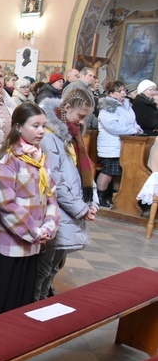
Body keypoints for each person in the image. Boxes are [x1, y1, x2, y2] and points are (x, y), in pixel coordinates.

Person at [0, 103, 59, 317]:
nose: (41, 131)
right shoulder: (8, 160)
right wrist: (34, 232)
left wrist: (48, 227)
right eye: (35, 125)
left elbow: (51, 197)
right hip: (10, 244)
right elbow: (6, 205)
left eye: (43, 126)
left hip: (33, 244)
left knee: (22, 303)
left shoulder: (41, 159)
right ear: (18, 127)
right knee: (0, 303)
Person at [36, 89, 98, 300]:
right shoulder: (49, 137)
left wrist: (92, 203)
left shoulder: (73, 135)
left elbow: (85, 171)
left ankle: (45, 300)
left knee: (54, 265)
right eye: (80, 116)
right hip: (55, 210)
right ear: (67, 108)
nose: (82, 122)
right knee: (43, 267)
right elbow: (56, 181)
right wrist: (81, 209)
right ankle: (35, 306)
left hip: (72, 208)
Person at [96, 79, 142, 207]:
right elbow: (112, 126)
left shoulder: (127, 105)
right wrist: (133, 130)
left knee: (118, 173)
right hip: (111, 144)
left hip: (125, 145)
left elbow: (133, 122)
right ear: (111, 93)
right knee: (108, 171)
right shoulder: (107, 107)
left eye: (124, 90)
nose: (123, 93)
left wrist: (138, 129)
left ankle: (112, 197)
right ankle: (99, 197)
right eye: (119, 91)